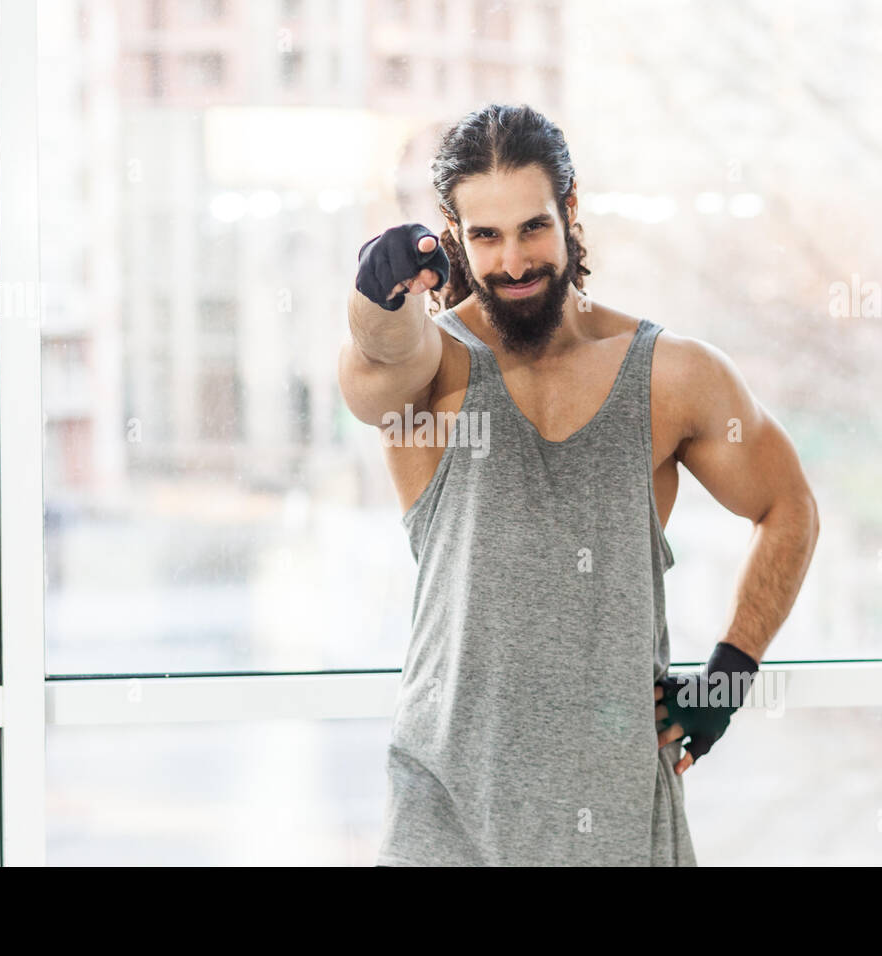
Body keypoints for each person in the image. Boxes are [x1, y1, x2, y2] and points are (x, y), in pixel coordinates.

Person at [341, 103, 819, 866]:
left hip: (621, 823)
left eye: (532, 227)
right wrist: (376, 300)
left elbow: (788, 507)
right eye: (487, 236)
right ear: (455, 234)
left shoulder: (671, 376)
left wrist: (727, 681)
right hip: (445, 823)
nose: (514, 261)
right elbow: (371, 380)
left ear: (569, 211)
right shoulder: (432, 369)